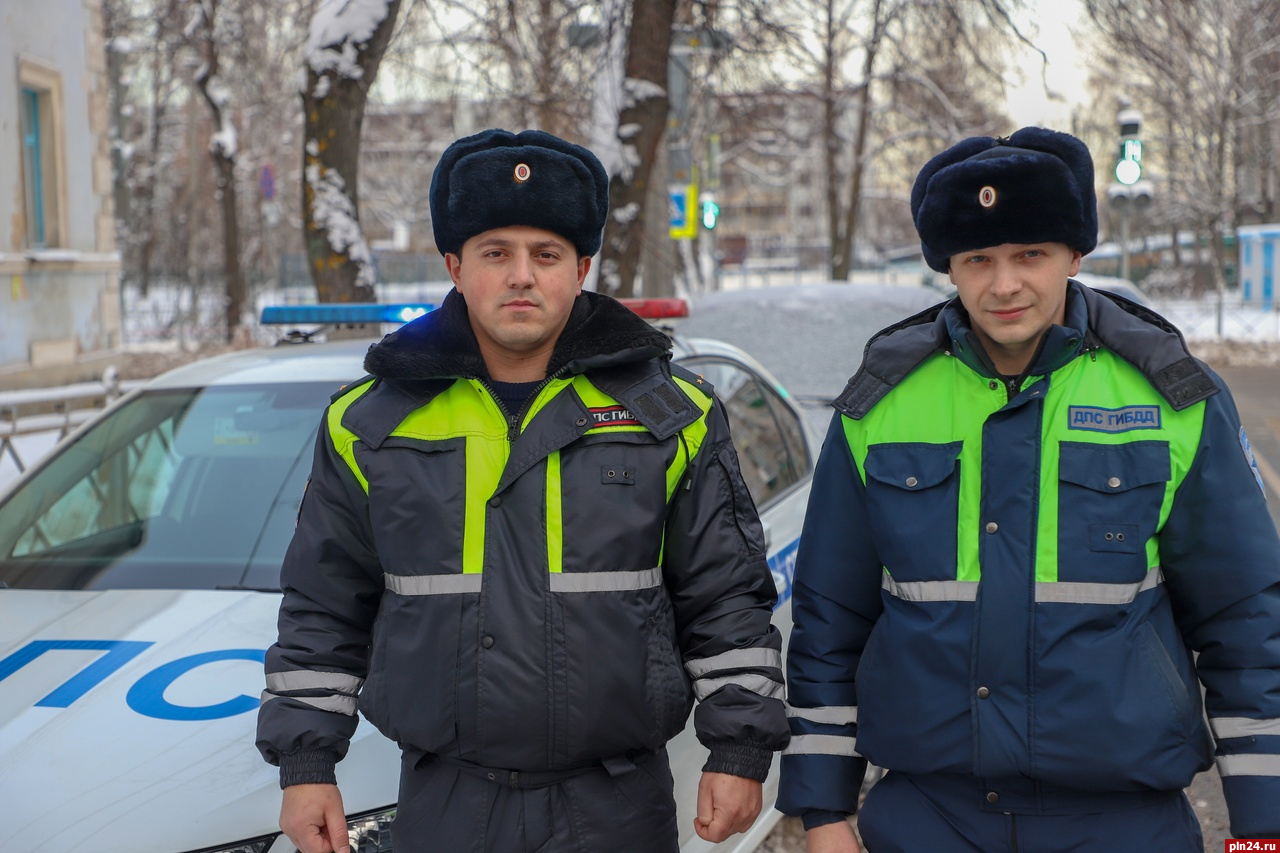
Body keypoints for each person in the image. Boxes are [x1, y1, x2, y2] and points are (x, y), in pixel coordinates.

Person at [256, 129, 788, 853]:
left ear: (581, 268)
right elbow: (324, 602)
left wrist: (738, 749)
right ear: (455, 265)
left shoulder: (672, 415)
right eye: (494, 252)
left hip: (616, 805)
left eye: (545, 255)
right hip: (446, 801)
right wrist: (306, 762)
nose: (521, 276)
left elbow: (724, 596)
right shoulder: (370, 421)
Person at [777, 126, 1280, 851]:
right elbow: (830, 619)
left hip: (1123, 823)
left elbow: (1246, 621)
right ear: (948, 267)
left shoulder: (1174, 399)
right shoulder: (881, 405)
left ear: (1075, 255)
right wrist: (823, 810)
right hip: (927, 819)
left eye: (1029, 254)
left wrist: (1263, 823)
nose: (1004, 283)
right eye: (979, 258)